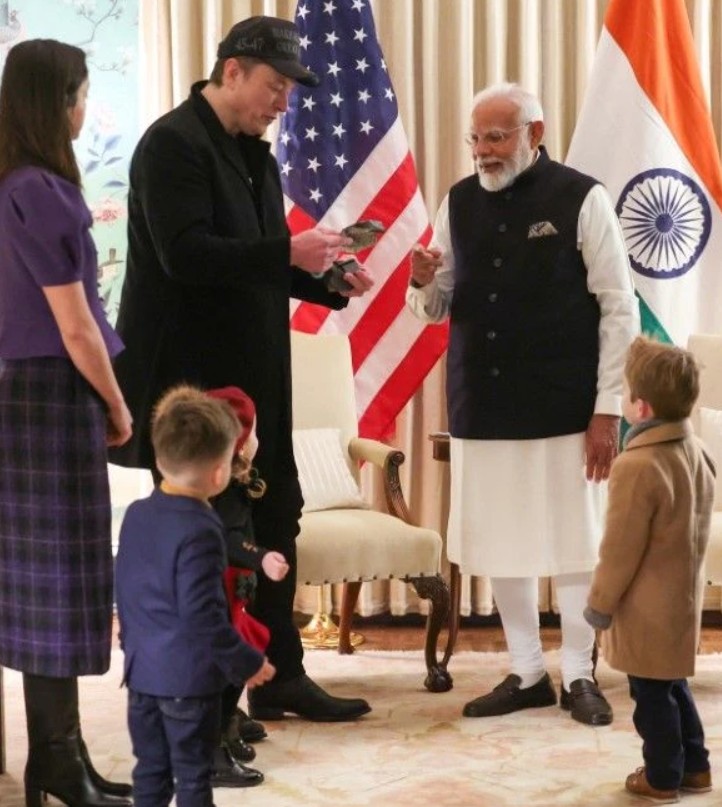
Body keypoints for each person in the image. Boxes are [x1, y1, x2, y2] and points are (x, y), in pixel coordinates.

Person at [109, 14, 373, 731]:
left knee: (277, 513)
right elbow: (187, 255)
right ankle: (210, 701)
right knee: (211, 540)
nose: (283, 102)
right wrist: (290, 251)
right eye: (274, 86)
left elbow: (259, 260)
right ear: (232, 71)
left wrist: (328, 283)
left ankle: (279, 676)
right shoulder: (171, 144)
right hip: (194, 386)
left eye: (289, 90)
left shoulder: (255, 154)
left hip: (259, 377)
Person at [406, 82, 639, 725]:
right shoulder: (457, 202)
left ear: (534, 134)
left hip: (568, 404)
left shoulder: (582, 197)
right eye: (475, 139)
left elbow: (619, 307)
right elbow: (434, 306)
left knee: (575, 540)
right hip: (482, 402)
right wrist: (420, 283)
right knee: (501, 538)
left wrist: (608, 408)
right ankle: (528, 670)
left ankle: (578, 672)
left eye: (496, 137)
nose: (483, 150)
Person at [0, 40, 133, 807]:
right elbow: (76, 326)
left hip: (18, 394)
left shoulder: (10, 186)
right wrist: (117, 405)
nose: (86, 108)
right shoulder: (43, 191)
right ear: (60, 102)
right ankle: (56, 758)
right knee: (57, 579)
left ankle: (61, 755)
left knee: (40, 582)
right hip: (53, 394)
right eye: (81, 94)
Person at [115, 386, 276, 805]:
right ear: (220, 473)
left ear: (159, 457)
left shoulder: (136, 514)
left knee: (150, 771)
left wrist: (131, 649)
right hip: (186, 681)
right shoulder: (204, 528)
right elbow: (203, 615)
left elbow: (125, 588)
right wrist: (246, 661)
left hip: (142, 675)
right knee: (192, 776)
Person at [585, 337, 715, 803]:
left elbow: (619, 550)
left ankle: (662, 776)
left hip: (646, 609)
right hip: (682, 601)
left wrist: (600, 605)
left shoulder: (637, 465)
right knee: (673, 684)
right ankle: (695, 768)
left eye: (625, 392)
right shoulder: (696, 451)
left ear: (640, 407)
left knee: (651, 695)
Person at [206, 386, 290, 772]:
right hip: (224, 591)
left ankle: (226, 722)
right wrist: (260, 558)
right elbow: (227, 540)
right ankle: (218, 733)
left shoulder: (231, 481)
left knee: (234, 665)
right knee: (230, 665)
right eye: (253, 432)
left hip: (235, 590)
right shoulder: (223, 492)